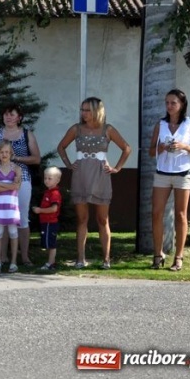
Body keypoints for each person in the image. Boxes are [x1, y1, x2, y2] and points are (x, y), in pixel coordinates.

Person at [57, 96, 131, 270]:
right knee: (82, 218)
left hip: (101, 174)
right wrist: (68, 164)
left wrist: (117, 168)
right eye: (82, 110)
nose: (84, 113)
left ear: (97, 111)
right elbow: (61, 147)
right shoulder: (76, 129)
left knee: (102, 219)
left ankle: (106, 260)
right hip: (80, 174)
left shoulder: (108, 129)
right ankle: (80, 259)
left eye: (88, 110)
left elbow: (126, 148)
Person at [149, 89, 190, 272]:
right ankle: (158, 254)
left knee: (181, 214)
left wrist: (184, 146)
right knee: (156, 213)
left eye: (173, 103)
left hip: (183, 173)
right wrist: (162, 147)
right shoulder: (161, 124)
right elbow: (151, 151)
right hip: (162, 172)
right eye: (167, 102)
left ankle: (179, 257)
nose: (169, 106)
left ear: (182, 104)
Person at [0, 104, 41, 266]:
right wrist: (0, 160)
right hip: (0, 179)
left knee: (22, 218)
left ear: (19, 117)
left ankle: (25, 257)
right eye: (6, 114)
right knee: (3, 217)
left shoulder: (27, 134)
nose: (8, 117)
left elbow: (36, 158)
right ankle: (3, 257)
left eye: (12, 114)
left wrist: (16, 159)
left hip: (22, 179)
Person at [0, 140, 23, 273]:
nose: (4, 154)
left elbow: (17, 186)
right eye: (1, 152)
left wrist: (1, 184)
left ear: (11, 153)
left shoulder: (17, 169)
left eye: (7, 152)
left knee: (13, 232)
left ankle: (13, 262)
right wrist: (10, 186)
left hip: (12, 205)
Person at [33, 167, 63, 272]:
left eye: (50, 178)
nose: (46, 180)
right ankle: (51, 262)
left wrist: (40, 210)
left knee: (51, 243)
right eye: (45, 178)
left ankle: (50, 263)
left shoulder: (54, 193)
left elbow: (54, 209)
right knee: (48, 243)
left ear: (57, 180)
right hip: (46, 222)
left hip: (50, 222)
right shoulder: (48, 192)